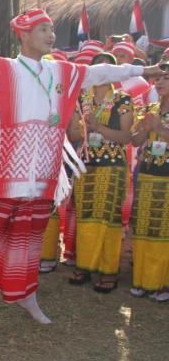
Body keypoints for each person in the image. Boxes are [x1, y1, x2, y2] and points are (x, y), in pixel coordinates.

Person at [0, 9, 162, 323]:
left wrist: (146, 67)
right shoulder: (2, 67)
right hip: (9, 163)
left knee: (31, 235)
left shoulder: (61, 71)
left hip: (45, 165)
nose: (51, 35)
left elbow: (99, 73)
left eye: (52, 29)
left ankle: (26, 293)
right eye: (43, 29)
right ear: (24, 34)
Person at [66, 53, 132, 293]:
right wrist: (81, 127)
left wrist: (98, 127)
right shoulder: (82, 99)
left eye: (107, 68)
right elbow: (73, 135)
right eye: (97, 68)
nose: (101, 72)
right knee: (86, 217)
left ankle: (108, 270)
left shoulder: (122, 100)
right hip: (86, 165)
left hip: (112, 166)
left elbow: (126, 137)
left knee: (108, 218)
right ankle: (85, 265)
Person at [129, 62, 169, 301]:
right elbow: (134, 141)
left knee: (164, 230)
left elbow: (161, 132)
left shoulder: (156, 116)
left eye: (166, 78)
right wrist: (143, 130)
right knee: (144, 227)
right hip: (146, 174)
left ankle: (162, 283)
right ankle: (143, 280)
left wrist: (160, 128)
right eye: (158, 78)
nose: (159, 82)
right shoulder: (150, 108)